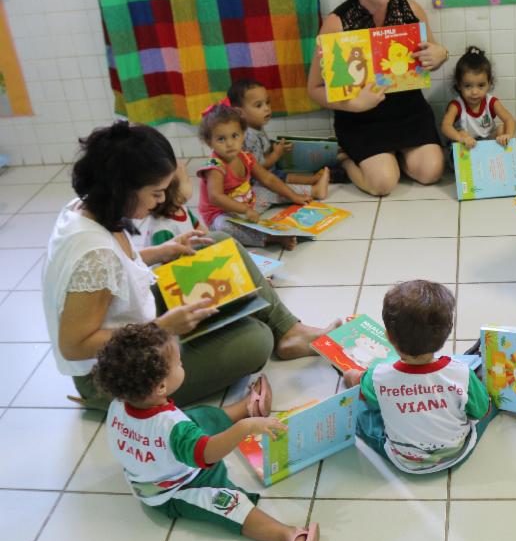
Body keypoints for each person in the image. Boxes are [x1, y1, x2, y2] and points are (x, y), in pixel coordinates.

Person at [42, 120, 340, 410]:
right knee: (256, 338)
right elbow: (74, 344)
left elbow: (116, 271)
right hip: (113, 375)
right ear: (123, 189)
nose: (159, 203)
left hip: (134, 323)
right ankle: (276, 334)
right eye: (155, 193)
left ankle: (289, 331)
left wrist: (161, 251)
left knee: (221, 242)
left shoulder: (85, 207)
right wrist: (160, 328)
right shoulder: (93, 255)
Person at [92, 323, 319, 541]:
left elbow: (174, 432)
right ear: (160, 387)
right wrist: (245, 429)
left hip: (160, 459)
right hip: (177, 488)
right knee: (229, 505)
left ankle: (245, 407)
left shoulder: (120, 402)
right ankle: (288, 535)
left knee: (196, 418)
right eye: (179, 364)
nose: (182, 365)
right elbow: (206, 454)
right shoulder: (172, 427)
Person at [307, 0, 449, 196]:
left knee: (432, 172)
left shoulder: (410, 9)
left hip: (409, 111)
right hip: (361, 118)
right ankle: (347, 159)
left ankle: (393, 157)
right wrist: (353, 104)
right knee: (383, 184)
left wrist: (441, 54)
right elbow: (314, 88)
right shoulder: (336, 23)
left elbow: (432, 56)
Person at [344, 280, 494, 473]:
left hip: (404, 459)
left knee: (362, 411)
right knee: (484, 400)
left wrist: (351, 378)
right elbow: (481, 412)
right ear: (447, 333)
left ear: (388, 337)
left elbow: (368, 397)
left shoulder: (377, 374)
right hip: (456, 451)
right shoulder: (460, 373)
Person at [196, 103, 316, 249]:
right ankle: (271, 238)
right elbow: (216, 197)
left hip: (248, 205)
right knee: (224, 227)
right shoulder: (215, 166)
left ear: (243, 135)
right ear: (210, 142)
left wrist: (293, 196)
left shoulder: (246, 157)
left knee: (266, 188)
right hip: (222, 214)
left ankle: (310, 192)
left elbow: (268, 178)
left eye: (234, 136)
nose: (229, 143)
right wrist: (245, 210)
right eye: (221, 139)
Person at [228, 79, 332, 190]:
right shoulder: (249, 137)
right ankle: (313, 184)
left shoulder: (256, 127)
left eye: (267, 102)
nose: (266, 108)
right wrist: (276, 154)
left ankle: (314, 179)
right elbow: (257, 166)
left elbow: (263, 148)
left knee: (284, 174)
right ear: (239, 113)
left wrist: (276, 146)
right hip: (257, 179)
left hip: (270, 170)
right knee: (282, 181)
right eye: (258, 105)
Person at [440, 46, 516, 149]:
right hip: (465, 146)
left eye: (481, 85)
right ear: (459, 85)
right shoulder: (457, 106)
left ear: (489, 84)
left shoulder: (491, 102)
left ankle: (495, 160)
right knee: (462, 133)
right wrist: (460, 138)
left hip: (487, 143)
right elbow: (445, 126)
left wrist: (508, 136)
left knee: (502, 129)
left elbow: (509, 119)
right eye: (467, 86)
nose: (474, 92)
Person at [131, 160, 205, 252]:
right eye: (187, 178)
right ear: (173, 192)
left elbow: (198, 228)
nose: (191, 180)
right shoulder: (162, 229)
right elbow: (164, 260)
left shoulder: (182, 209)